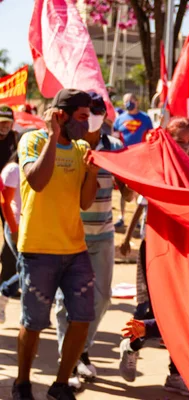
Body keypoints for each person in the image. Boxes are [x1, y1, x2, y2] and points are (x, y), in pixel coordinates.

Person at [13, 89, 99, 400]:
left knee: (83, 317)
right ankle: (22, 383)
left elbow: (85, 203)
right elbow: (36, 181)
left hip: (75, 251)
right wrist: (52, 136)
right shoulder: (32, 141)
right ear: (60, 115)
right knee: (33, 322)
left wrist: (91, 174)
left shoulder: (79, 149)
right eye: (81, 117)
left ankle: (60, 384)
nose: (86, 125)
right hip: (38, 251)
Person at [117, 121, 189, 397]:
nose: (187, 146)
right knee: (152, 312)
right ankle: (131, 345)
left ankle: (176, 373)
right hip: (156, 248)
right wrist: (127, 238)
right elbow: (135, 199)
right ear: (169, 141)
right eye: (181, 141)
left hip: (187, 251)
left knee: (185, 313)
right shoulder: (157, 169)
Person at [54, 91, 134, 389]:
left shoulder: (115, 148)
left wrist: (128, 181)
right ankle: (71, 360)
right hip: (70, 235)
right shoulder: (70, 146)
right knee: (66, 302)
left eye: (98, 110)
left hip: (103, 234)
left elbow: (127, 193)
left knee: (101, 299)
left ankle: (81, 349)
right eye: (88, 111)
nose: (93, 116)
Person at [112, 93, 153, 228]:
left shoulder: (145, 119)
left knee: (139, 189)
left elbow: (151, 137)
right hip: (124, 159)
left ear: (137, 101)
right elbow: (115, 137)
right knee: (123, 188)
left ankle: (138, 219)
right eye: (125, 101)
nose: (128, 103)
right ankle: (121, 217)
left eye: (130, 100)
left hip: (140, 159)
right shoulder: (119, 119)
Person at [0, 105, 20, 299]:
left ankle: (7, 281)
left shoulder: (16, 138)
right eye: (2, 122)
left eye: (8, 122)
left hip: (9, 194)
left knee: (10, 237)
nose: (5, 126)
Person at [0, 150, 20, 323]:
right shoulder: (13, 170)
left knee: (30, 270)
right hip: (17, 228)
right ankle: (4, 292)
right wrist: (14, 230)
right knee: (28, 269)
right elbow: (5, 203)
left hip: (32, 228)